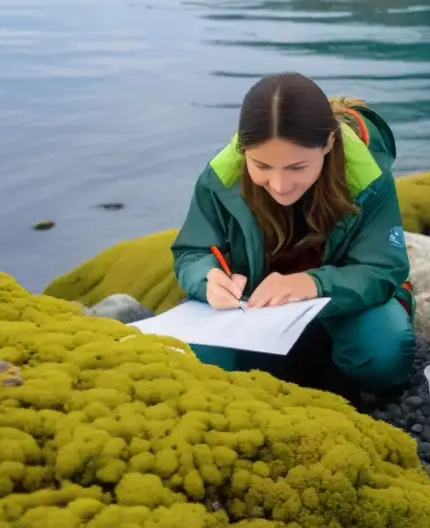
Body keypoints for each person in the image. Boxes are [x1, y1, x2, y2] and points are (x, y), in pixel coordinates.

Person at [171, 72, 416, 396]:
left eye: (297, 168)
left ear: (328, 143)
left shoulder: (368, 178)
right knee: (196, 363)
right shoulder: (220, 177)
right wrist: (208, 279)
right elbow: (192, 251)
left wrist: (312, 283)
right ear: (244, 149)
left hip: (341, 305)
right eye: (261, 166)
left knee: (385, 352)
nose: (280, 185)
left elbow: (384, 268)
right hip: (254, 312)